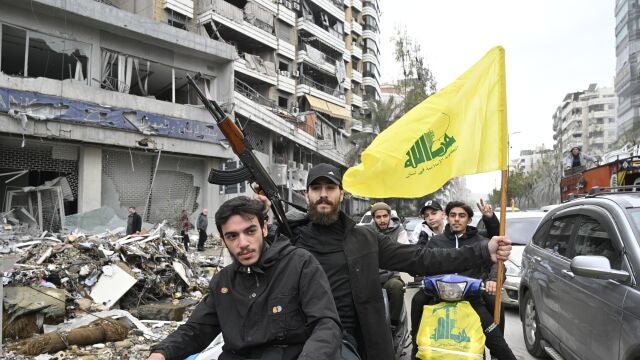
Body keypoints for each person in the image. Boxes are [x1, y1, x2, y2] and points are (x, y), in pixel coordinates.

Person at [265, 163, 512, 360]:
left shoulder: (364, 238)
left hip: (354, 342)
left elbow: (420, 258)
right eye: (316, 188)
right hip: (300, 340)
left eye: (329, 188)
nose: (323, 195)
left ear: (341, 194)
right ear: (306, 195)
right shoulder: (289, 238)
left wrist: (483, 251)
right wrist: (258, 219)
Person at [148, 196, 342, 360]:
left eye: (250, 231)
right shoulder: (223, 282)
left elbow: (326, 325)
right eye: (232, 236)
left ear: (264, 228)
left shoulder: (299, 264)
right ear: (223, 240)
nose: (243, 243)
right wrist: (161, 353)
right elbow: (196, 330)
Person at [418, 201, 515, 360]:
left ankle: (497, 354)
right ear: (447, 218)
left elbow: (497, 264)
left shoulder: (482, 241)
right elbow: (423, 263)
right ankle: (416, 348)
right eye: (453, 215)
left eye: (462, 216)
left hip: (472, 296)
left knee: (494, 303)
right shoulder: (435, 242)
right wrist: (423, 277)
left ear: (469, 220)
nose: (457, 219)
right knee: (417, 300)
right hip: (440, 294)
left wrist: (492, 280)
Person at [368, 202, 407, 329]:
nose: (382, 220)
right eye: (378, 217)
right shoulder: (367, 232)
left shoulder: (399, 230)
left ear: (390, 216)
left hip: (391, 276)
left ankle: (393, 323)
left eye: (385, 216)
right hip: (372, 276)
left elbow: (404, 250)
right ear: (373, 218)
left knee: (396, 287)